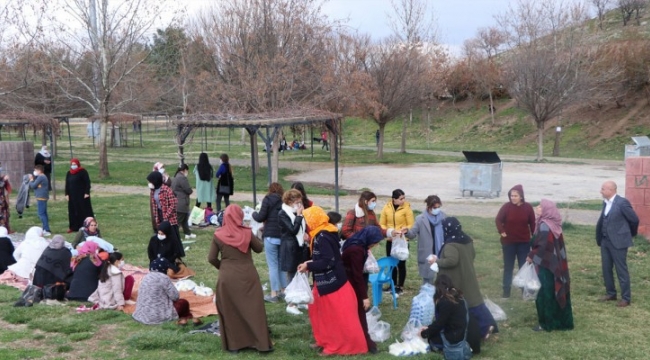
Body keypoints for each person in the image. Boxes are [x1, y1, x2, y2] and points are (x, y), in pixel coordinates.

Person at [298, 206, 368, 355]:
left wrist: (308, 265)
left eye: (307, 220)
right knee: (319, 313)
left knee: (333, 317)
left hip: (332, 283)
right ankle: (324, 340)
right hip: (325, 281)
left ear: (314, 220)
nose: (306, 223)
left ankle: (335, 345)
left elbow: (328, 261)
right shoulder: (323, 232)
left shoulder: (322, 237)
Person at [209, 204, 273, 353]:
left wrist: (223, 267)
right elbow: (258, 249)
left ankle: (234, 346)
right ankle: (261, 344)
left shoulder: (218, 234)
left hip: (227, 276)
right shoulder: (247, 233)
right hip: (247, 274)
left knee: (230, 310)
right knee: (254, 309)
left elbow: (211, 258)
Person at [433, 217, 498, 340]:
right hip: (468, 274)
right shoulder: (466, 239)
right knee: (475, 301)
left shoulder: (450, 245)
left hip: (457, 278)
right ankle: (487, 324)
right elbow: (472, 255)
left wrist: (437, 261)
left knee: (463, 304)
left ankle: (481, 328)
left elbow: (452, 261)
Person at [527, 199, 574, 331]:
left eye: (540, 206)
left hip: (546, 266)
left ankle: (547, 323)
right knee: (555, 290)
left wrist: (531, 256)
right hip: (555, 264)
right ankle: (562, 321)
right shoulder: (554, 224)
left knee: (546, 293)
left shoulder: (544, 225)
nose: (537, 207)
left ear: (547, 210)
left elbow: (542, 247)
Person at [341, 226, 384, 354]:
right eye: (375, 242)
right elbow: (357, 275)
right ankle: (366, 342)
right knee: (360, 311)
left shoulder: (356, 242)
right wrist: (364, 297)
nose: (375, 245)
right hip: (351, 283)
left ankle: (360, 339)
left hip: (349, 280)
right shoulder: (357, 250)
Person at [596, 180, 639, 307]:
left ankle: (626, 298)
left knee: (621, 270)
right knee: (606, 268)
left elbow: (634, 220)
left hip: (619, 242)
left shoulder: (622, 203)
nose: (601, 191)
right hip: (605, 241)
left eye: (603, 189)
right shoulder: (605, 203)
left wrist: (627, 234)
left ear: (611, 190)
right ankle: (611, 293)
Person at [420, 274, 481, 355]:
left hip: (460, 337)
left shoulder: (445, 302)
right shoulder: (458, 296)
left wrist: (425, 333)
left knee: (432, 340)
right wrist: (429, 328)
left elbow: (440, 323)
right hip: (471, 336)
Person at [495, 184, 536, 298]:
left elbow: (532, 224)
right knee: (508, 267)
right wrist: (501, 230)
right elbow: (498, 219)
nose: (512, 198)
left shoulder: (528, 208)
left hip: (523, 242)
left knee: (523, 266)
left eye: (515, 196)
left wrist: (535, 238)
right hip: (509, 243)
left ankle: (524, 291)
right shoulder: (506, 207)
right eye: (511, 195)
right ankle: (506, 292)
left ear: (521, 196)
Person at [133, 257, 199, 325]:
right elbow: (175, 297)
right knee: (183, 303)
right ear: (164, 269)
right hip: (158, 316)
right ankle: (186, 317)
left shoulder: (145, 277)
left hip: (141, 314)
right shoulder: (164, 278)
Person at [251, 182, 285, 303]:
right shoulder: (284, 201)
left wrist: (253, 213)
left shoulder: (267, 199)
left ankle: (274, 293)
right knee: (281, 264)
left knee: (273, 265)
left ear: (270, 190)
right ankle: (283, 290)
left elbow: (260, 217)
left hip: (270, 235)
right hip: (282, 236)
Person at [404, 195, 446, 285]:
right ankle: (427, 296)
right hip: (427, 254)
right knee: (428, 281)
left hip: (441, 252)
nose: (437, 209)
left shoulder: (443, 217)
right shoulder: (420, 219)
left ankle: (440, 297)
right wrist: (406, 231)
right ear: (428, 207)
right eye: (435, 207)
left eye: (439, 207)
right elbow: (412, 234)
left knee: (443, 279)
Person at [278, 189, 308, 315]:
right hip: (290, 248)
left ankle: (300, 299)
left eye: (300, 202)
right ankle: (291, 303)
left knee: (301, 273)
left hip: (300, 246)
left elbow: (301, 228)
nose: (299, 205)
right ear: (289, 202)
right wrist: (300, 216)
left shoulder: (296, 212)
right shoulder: (283, 213)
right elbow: (293, 230)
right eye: (296, 202)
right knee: (292, 275)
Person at [380, 189, 414, 294]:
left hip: (402, 240)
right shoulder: (386, 207)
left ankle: (400, 286)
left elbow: (411, 224)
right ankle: (392, 285)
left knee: (401, 263)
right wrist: (388, 233)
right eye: (401, 199)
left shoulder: (407, 208)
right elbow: (382, 223)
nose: (403, 200)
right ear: (394, 199)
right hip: (391, 240)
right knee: (391, 264)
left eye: (404, 198)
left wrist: (405, 230)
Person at [65, 158, 94, 233]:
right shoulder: (69, 173)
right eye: (72, 164)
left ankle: (85, 226)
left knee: (83, 210)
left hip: (81, 195)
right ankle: (73, 227)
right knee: (72, 210)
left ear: (78, 164)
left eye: (74, 164)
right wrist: (66, 194)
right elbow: (67, 184)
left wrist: (87, 192)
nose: (73, 166)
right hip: (72, 195)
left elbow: (87, 182)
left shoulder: (83, 172)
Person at [172, 164, 195, 240]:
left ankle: (187, 233)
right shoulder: (182, 178)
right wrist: (190, 190)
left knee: (184, 219)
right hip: (182, 202)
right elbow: (188, 189)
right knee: (178, 221)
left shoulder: (176, 177)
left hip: (178, 201)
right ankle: (173, 236)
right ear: (184, 170)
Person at [29, 165, 51, 236]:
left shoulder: (41, 177)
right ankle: (46, 228)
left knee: (41, 213)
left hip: (41, 197)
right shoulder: (42, 177)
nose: (34, 172)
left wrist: (31, 180)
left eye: (35, 170)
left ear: (39, 171)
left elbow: (33, 185)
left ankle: (46, 229)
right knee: (44, 213)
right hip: (42, 197)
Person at [0, 168, 12, 233]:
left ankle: (4, 227)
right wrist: (4, 180)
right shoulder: (2, 179)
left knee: (4, 213)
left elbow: (7, 188)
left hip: (2, 199)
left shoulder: (2, 178)